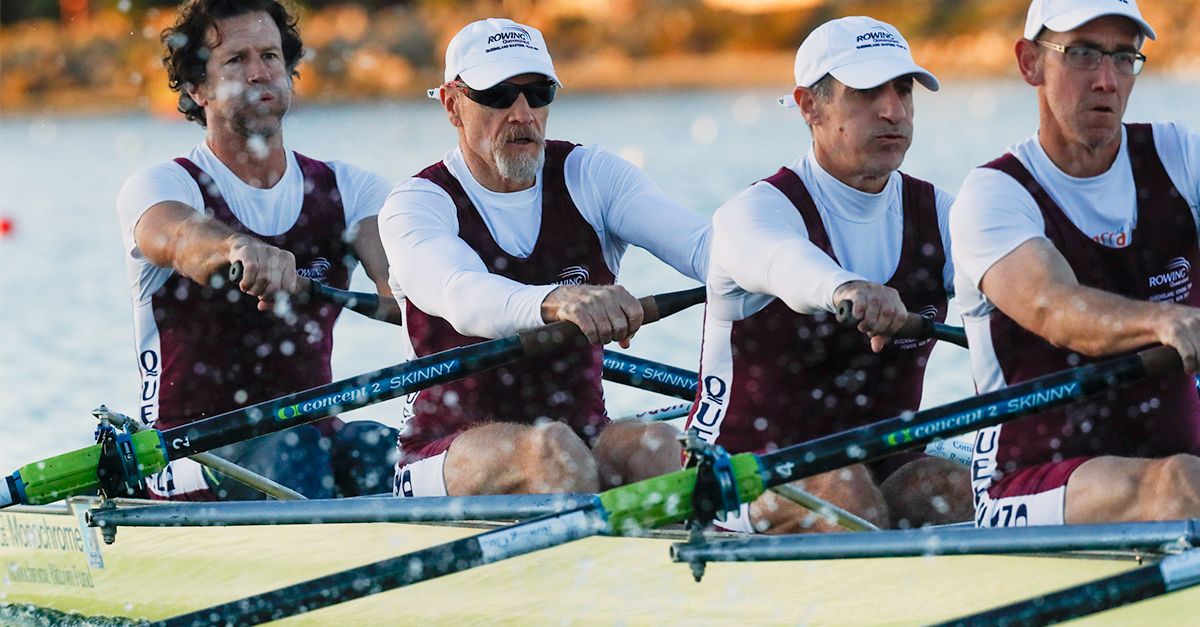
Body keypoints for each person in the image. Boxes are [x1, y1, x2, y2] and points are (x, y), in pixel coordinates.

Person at [379, 18, 710, 498]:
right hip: (440, 456)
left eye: (538, 93)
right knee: (550, 451)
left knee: (663, 447)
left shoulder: (591, 176)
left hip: (580, 439)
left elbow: (705, 248)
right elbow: (460, 293)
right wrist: (558, 301)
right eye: (497, 96)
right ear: (452, 105)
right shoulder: (418, 202)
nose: (522, 114)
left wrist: (807, 280)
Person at [687, 16, 972, 534]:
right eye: (866, 92)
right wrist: (846, 289)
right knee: (845, 492)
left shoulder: (942, 214)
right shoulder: (755, 213)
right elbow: (783, 262)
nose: (893, 110)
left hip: (884, 465)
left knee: (967, 491)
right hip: (737, 476)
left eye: (903, 90)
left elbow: (1015, 292)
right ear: (808, 106)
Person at [116, 0, 398, 500]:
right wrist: (238, 248)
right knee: (295, 448)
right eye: (235, 60)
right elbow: (180, 239)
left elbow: (404, 292)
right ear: (197, 88)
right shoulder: (164, 186)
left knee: (385, 450)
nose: (259, 72)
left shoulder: (351, 190)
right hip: (186, 456)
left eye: (270, 56)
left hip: (308, 443)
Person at [952, 0, 1200, 527]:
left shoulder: (1180, 155)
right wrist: (1163, 320)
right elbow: (1057, 310)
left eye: (1124, 57)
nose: (1108, 80)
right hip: (1025, 482)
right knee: (1181, 482)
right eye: (1083, 54)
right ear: (1030, 63)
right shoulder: (994, 195)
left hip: (1175, 467)